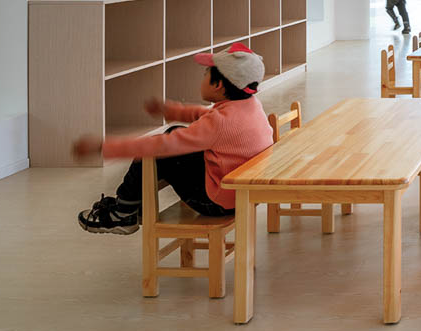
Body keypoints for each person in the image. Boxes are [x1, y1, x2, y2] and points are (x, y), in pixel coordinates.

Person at [71, 43, 273, 234]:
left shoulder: (218, 123)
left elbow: (162, 145)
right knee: (174, 132)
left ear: (218, 84)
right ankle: (134, 204)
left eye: (205, 74)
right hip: (241, 195)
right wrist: (171, 111)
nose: (202, 78)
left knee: (158, 150)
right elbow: (206, 116)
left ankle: (123, 213)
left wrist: (104, 148)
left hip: (217, 203)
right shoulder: (250, 105)